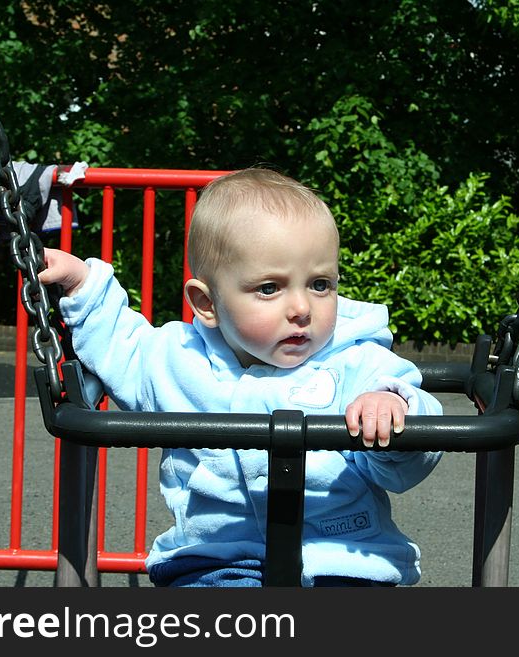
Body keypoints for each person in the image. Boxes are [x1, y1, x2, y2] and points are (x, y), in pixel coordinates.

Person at [39, 168, 444, 586]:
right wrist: (83, 285)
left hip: (343, 557)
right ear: (207, 303)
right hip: (216, 558)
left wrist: (394, 407)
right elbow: (122, 346)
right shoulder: (178, 360)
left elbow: (407, 463)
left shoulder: (358, 361)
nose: (302, 307)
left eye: (320, 284)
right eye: (270, 288)